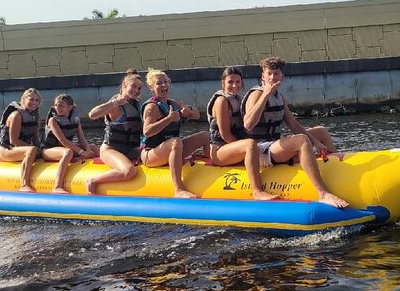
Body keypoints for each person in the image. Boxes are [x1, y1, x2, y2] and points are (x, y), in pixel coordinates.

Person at [241, 56, 349, 208]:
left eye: (276, 74)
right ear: (263, 76)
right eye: (269, 73)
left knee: (321, 132)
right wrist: (265, 95)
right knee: (301, 140)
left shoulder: (279, 97)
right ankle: (323, 193)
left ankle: (338, 171)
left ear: (282, 77)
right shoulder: (256, 94)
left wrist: (316, 142)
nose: (272, 77)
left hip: (273, 146)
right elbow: (248, 124)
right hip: (259, 151)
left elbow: (294, 125)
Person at [207, 67, 279, 201]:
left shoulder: (239, 99)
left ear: (242, 83)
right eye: (230, 82)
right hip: (220, 152)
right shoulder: (221, 101)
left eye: (238, 82)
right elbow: (225, 135)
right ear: (223, 83)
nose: (234, 85)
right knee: (250, 144)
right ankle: (257, 191)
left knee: (254, 145)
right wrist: (248, 151)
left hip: (234, 148)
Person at [141, 69, 209, 198]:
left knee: (205, 136)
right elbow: (147, 131)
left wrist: (188, 112)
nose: (163, 85)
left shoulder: (173, 103)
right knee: (176, 142)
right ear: (151, 87)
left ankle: (211, 168)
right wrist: (169, 119)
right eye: (159, 83)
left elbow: (197, 115)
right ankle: (178, 189)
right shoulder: (151, 107)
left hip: (170, 150)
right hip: (151, 154)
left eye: (166, 82)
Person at [86, 69, 144, 194]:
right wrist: (115, 102)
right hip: (111, 150)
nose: (137, 90)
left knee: (152, 154)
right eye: (133, 86)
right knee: (129, 171)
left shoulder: (136, 104)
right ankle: (93, 181)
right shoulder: (116, 105)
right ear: (124, 85)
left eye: (139, 88)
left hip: (130, 150)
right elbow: (92, 114)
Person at [40, 94, 98, 194]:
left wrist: (88, 150)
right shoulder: (52, 120)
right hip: (48, 150)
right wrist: (82, 152)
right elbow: (63, 140)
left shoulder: (75, 119)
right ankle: (57, 186)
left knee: (93, 147)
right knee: (68, 152)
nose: (58, 108)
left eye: (61, 106)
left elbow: (81, 138)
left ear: (70, 107)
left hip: (64, 148)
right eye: (56, 105)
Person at [0, 87, 42, 192]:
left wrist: (42, 149)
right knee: (32, 150)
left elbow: (36, 139)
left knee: (42, 150)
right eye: (31, 99)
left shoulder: (35, 117)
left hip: (24, 149)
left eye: (37, 100)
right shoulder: (16, 115)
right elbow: (14, 141)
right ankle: (24, 184)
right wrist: (34, 148)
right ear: (23, 100)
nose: (34, 103)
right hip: (8, 150)